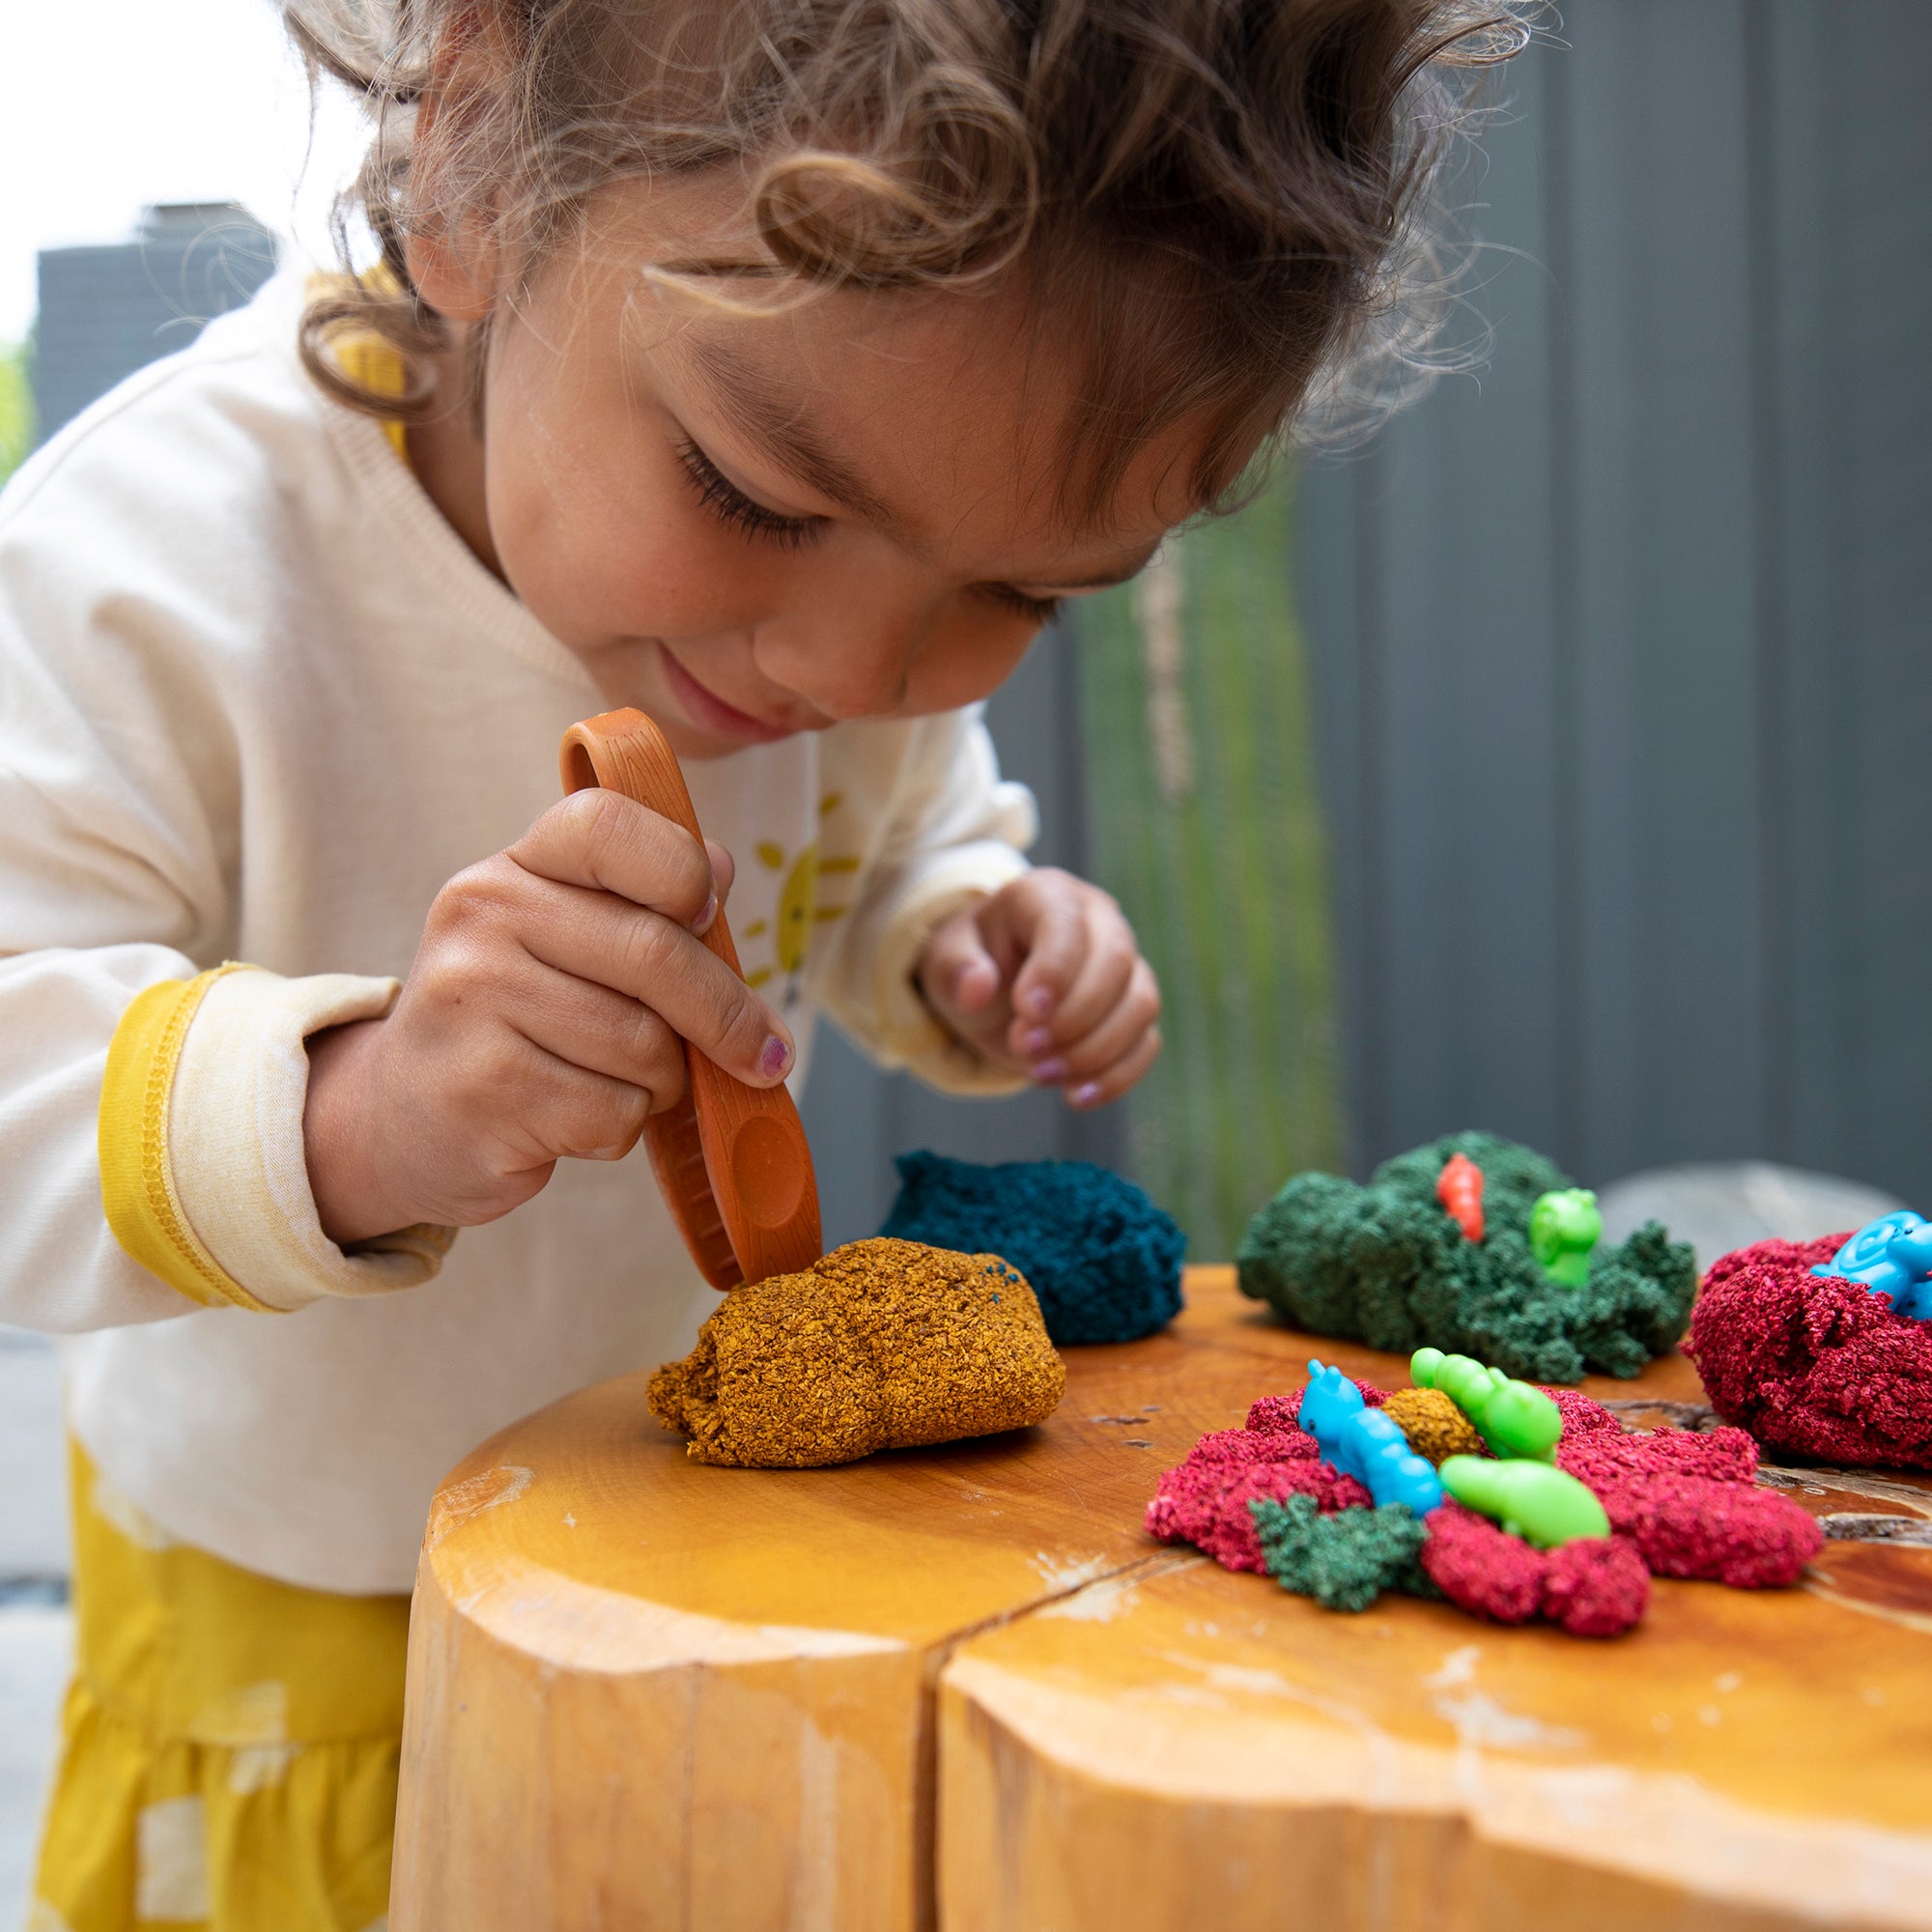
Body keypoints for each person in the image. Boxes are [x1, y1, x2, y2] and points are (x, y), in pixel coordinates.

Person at [3, 0, 1523, 1924]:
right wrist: (357, 1110)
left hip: (694, 1559)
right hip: (306, 1642)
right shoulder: (166, 567)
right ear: (473, 171)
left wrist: (965, 937)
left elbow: (898, 827)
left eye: (1019, 593)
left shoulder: (832, 602)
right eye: (757, 498)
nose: (849, 674)